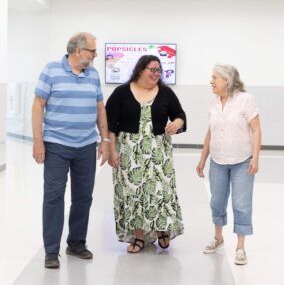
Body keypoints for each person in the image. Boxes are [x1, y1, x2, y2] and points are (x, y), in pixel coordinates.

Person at [32, 32, 109, 268]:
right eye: (92, 51)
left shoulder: (93, 74)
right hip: (56, 144)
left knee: (83, 197)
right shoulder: (51, 70)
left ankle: (76, 243)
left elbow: (99, 107)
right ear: (78, 51)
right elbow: (38, 106)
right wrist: (38, 141)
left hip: (86, 145)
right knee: (54, 197)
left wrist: (104, 140)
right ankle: (51, 251)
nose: (96, 55)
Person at [106, 55, 186, 253]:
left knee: (160, 192)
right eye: (152, 69)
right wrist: (112, 150)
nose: (156, 73)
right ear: (141, 69)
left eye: (159, 70)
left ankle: (162, 230)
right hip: (128, 153)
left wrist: (176, 123)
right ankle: (139, 236)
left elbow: (180, 115)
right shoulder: (121, 92)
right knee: (133, 194)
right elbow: (109, 124)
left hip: (159, 154)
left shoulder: (166, 92)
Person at [196, 64, 261, 265]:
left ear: (227, 80)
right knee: (216, 202)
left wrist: (256, 157)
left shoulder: (246, 100)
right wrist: (203, 158)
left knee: (241, 204)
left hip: (242, 161)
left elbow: (256, 130)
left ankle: (240, 247)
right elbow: (210, 132)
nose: (211, 81)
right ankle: (218, 238)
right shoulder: (214, 103)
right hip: (218, 160)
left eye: (215, 77)